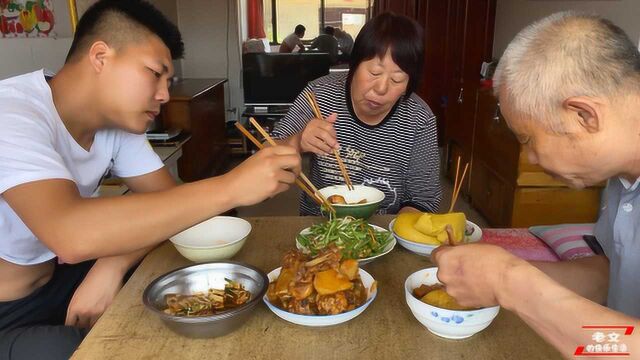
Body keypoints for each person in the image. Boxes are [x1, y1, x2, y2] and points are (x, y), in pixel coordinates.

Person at [0, 1, 301, 359]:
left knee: (175, 304)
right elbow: (70, 233)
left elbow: (173, 210)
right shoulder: (13, 113)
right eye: (154, 73)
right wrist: (232, 186)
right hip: (10, 311)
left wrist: (113, 264)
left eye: (167, 81)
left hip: (61, 279)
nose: (163, 94)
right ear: (101, 57)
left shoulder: (115, 123)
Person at [433, 12, 640, 357]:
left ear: (584, 115)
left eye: (528, 139)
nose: (530, 159)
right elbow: (609, 277)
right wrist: (496, 268)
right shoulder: (621, 176)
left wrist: (509, 282)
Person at [273, 13, 441, 216]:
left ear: (409, 85)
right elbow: (266, 150)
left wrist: (391, 235)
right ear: (354, 64)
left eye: (396, 80)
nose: (381, 88)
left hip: (385, 232)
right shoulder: (319, 95)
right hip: (320, 228)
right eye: (374, 73)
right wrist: (298, 141)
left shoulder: (419, 118)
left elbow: (423, 199)